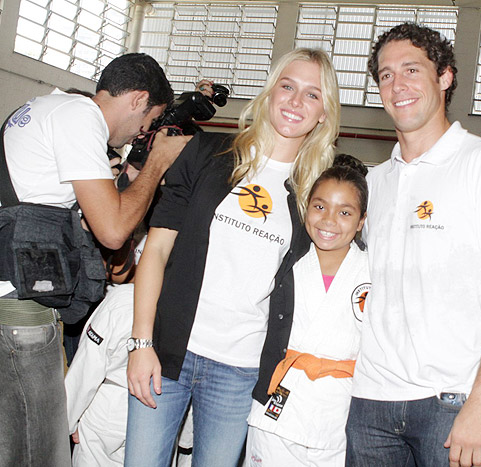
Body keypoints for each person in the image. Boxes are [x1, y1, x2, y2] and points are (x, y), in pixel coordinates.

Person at [125, 48, 340, 467]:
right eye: (288, 86)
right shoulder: (207, 153)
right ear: (269, 92)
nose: (296, 102)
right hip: (166, 353)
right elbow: (155, 250)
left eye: (312, 95)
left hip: (239, 372)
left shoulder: (314, 195)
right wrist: (141, 342)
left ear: (323, 115)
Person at [345, 22, 481, 467]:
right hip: (368, 402)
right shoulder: (373, 183)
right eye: (385, 75)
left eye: (411, 70)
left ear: (445, 76)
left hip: (452, 402)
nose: (397, 85)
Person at [0, 52, 187, 467]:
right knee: (41, 448)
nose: (140, 133)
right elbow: (114, 229)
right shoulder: (79, 116)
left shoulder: (47, 106)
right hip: (20, 311)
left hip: (14, 298)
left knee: (16, 441)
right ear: (139, 100)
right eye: (148, 120)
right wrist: (157, 162)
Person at [244, 154, 370, 466]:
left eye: (345, 212)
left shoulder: (372, 270)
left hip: (338, 414)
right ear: (306, 208)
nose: (329, 220)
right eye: (319, 206)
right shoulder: (287, 260)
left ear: (361, 221)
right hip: (279, 406)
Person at [65, 235, 147, 466]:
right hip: (159, 412)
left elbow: (87, 368)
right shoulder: (193, 310)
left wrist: (67, 422)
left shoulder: (122, 300)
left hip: (108, 410)